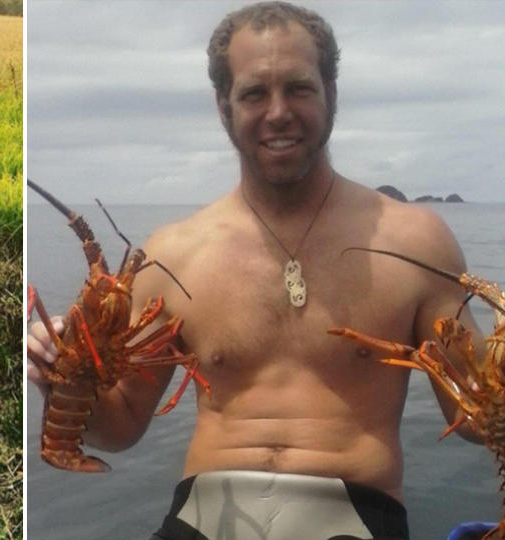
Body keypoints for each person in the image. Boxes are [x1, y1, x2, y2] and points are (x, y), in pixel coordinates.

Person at [27, 3, 484, 539]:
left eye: (299, 88)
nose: (278, 112)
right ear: (224, 106)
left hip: (357, 518)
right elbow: (119, 426)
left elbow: (479, 415)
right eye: (253, 93)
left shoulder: (415, 242)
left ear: (331, 93)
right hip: (200, 516)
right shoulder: (173, 253)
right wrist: (58, 378)